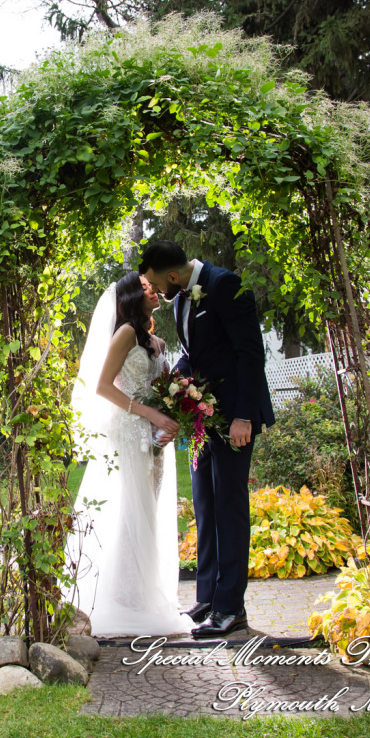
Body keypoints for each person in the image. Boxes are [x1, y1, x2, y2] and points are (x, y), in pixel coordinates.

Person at [139, 240, 275, 638]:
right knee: (205, 507)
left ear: (174, 275)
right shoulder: (183, 298)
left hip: (234, 418)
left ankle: (232, 609)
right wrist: (172, 385)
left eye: (155, 283)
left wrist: (244, 416)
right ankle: (208, 599)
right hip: (203, 421)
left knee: (229, 509)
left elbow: (251, 354)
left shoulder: (226, 284)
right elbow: (193, 354)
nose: (156, 292)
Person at [64, 271, 193, 638]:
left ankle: (140, 596)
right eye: (147, 287)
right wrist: (151, 414)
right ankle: (119, 602)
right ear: (132, 295)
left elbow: (162, 389)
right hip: (127, 432)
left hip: (153, 439)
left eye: (155, 287)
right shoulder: (122, 335)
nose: (154, 291)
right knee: (127, 512)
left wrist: (174, 415)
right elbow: (103, 387)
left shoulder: (157, 341)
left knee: (146, 513)